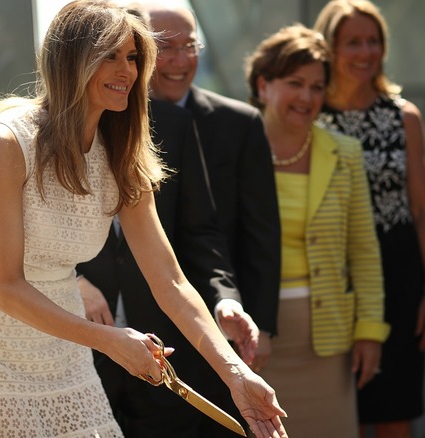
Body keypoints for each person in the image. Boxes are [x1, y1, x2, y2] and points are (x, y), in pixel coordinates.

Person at [0, 2, 288, 438]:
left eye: (133, 57)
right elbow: (6, 287)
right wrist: (110, 340)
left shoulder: (121, 151)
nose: (128, 71)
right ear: (71, 60)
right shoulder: (7, 142)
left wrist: (236, 375)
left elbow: (170, 283)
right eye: (110, 55)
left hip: (64, 333)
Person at [76, 96, 259, 436]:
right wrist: (72, 283)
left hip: (161, 352)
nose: (123, 70)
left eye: (131, 57)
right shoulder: (36, 134)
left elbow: (198, 233)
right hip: (72, 352)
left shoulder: (174, 123)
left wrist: (225, 301)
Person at [141, 4, 283, 434]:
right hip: (136, 327)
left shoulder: (238, 123)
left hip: (221, 324)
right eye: (166, 48)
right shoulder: (110, 123)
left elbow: (261, 234)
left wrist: (260, 322)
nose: (181, 61)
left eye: (190, 46)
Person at [244, 23, 389, 438]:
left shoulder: (344, 153)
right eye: (295, 83)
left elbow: (363, 250)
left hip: (329, 341)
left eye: (317, 86)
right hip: (255, 339)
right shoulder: (234, 147)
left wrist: (369, 331)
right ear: (264, 84)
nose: (307, 97)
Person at [311, 1, 425, 437]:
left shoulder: (403, 116)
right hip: (330, 275)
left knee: (394, 409)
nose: (366, 52)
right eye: (353, 42)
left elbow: (423, 209)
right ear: (329, 47)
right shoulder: (309, 115)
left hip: (398, 273)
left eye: (373, 41)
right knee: (334, 410)